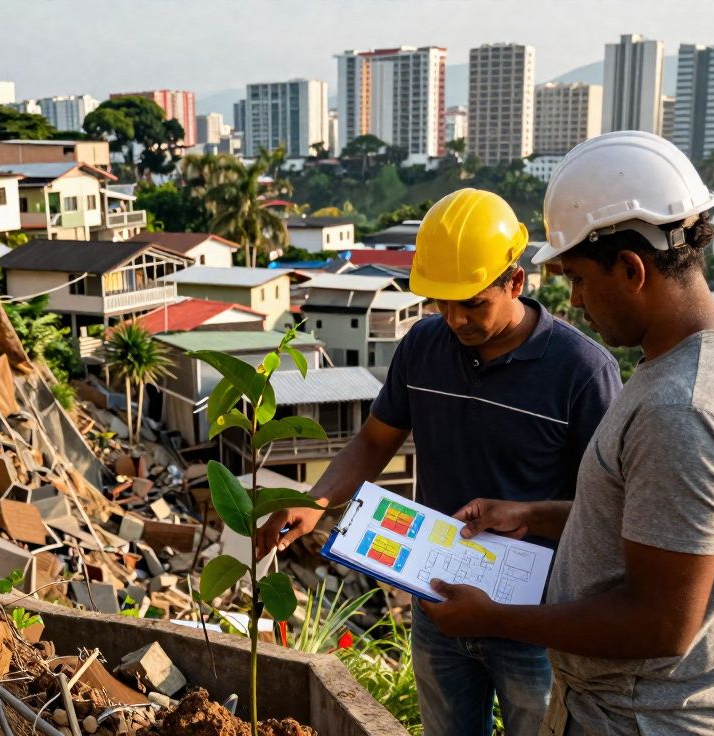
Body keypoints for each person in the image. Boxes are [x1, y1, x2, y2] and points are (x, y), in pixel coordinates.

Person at [418, 131, 714, 735]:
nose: (576, 301)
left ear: (631, 269)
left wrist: (495, 618)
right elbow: (647, 526)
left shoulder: (681, 410)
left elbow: (659, 623)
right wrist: (531, 515)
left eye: (579, 280)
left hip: (640, 719)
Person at [256, 189, 621, 736]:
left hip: (533, 623)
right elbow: (374, 442)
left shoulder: (582, 372)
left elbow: (610, 512)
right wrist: (316, 501)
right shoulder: (423, 347)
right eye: (440, 303)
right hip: (437, 602)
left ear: (515, 282)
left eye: (472, 303)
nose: (454, 319)